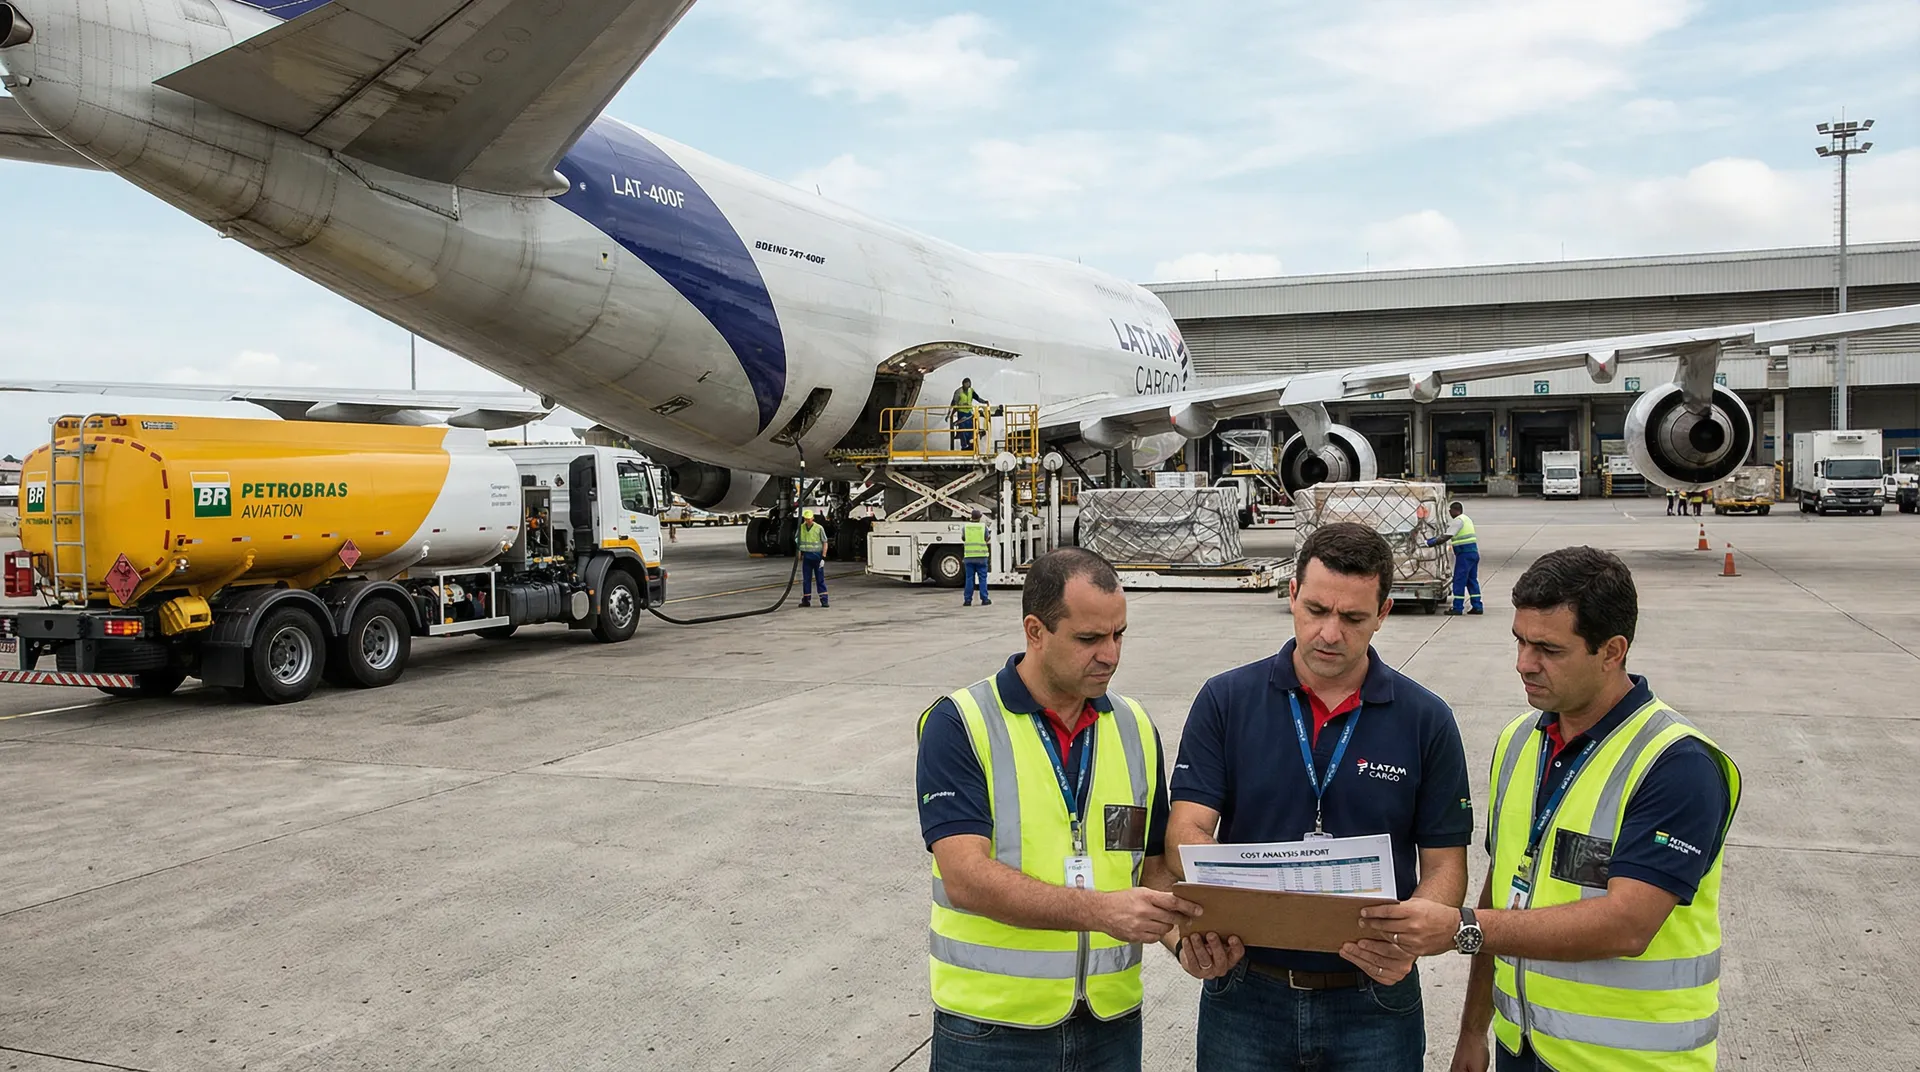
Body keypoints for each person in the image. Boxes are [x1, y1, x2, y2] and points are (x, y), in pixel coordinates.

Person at [1356, 546, 1740, 1072]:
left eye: (1548, 649)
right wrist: (1474, 1028)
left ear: (1612, 651)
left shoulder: (1676, 765)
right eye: (1519, 640)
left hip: (1629, 1061)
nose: (1523, 664)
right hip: (1525, 1049)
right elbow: (1506, 884)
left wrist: (1463, 927)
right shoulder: (1520, 741)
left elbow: (1628, 924)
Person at [1167, 522, 1473, 1072]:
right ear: (1291, 595)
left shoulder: (1426, 720)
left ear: (1384, 613)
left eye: (1353, 618)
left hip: (1375, 995)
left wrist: (1414, 933)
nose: (1329, 633)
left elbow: (1446, 865)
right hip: (1245, 991)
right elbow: (1187, 831)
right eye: (1315, 610)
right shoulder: (1226, 700)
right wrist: (1204, 924)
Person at [915, 548, 1199, 1072]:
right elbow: (965, 877)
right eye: (1089, 639)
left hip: (1111, 1024)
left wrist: (1185, 945)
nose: (1110, 655)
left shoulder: (1135, 727)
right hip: (993, 1029)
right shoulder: (961, 723)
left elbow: (1151, 867)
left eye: (1119, 635)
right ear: (1035, 631)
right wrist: (1102, 911)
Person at [1426, 501, 1483, 615]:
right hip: (1473, 554)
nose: (1449, 512)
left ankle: (1457, 607)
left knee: (1459, 580)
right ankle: (1477, 606)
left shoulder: (1458, 521)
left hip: (1464, 555)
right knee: (1472, 581)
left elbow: (1446, 537)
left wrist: (1429, 543)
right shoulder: (1467, 519)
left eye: (1450, 510)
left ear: (1456, 510)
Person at [796, 509, 829, 608]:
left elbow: (825, 542)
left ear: (813, 518)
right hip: (807, 557)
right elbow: (798, 542)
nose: (808, 521)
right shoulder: (801, 528)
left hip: (817, 557)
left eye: (809, 519)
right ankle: (806, 600)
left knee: (820, 579)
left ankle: (824, 600)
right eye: (806, 519)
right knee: (806, 580)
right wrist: (799, 555)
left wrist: (823, 557)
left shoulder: (819, 528)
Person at [962, 509, 992, 607]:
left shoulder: (966, 527)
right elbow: (987, 538)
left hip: (969, 557)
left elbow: (963, 538)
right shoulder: (983, 527)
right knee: (982, 578)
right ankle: (985, 599)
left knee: (969, 578)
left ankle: (967, 600)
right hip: (981, 557)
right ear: (979, 518)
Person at [950, 377, 989, 451]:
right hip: (961, 413)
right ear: (963, 384)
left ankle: (971, 444)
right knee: (963, 430)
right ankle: (964, 446)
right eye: (966, 383)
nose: (967, 385)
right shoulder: (958, 392)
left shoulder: (971, 391)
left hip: (969, 413)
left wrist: (984, 402)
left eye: (969, 383)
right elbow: (954, 403)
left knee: (971, 429)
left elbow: (977, 398)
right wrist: (950, 413)